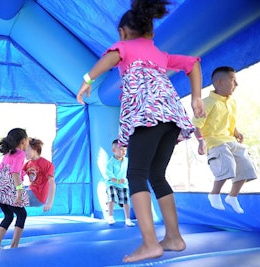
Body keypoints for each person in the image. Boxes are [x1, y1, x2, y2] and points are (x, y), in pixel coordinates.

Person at [76, 0, 205, 263]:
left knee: (135, 174)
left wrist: (87, 81)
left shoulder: (123, 47)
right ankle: (173, 238)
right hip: (171, 117)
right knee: (157, 175)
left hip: (147, 116)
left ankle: (149, 243)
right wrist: (196, 98)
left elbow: (109, 58)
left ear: (123, 33)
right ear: (151, 34)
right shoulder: (161, 55)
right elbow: (193, 63)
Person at [192, 66, 257, 214]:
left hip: (230, 140)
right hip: (215, 141)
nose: (236, 84)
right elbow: (196, 125)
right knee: (227, 165)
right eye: (233, 81)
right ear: (219, 82)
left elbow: (228, 121)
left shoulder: (232, 102)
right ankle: (214, 194)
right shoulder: (207, 102)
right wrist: (201, 141)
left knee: (246, 168)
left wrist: (236, 131)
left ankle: (232, 197)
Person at [0, 137, 56, 215]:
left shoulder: (47, 164)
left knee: (8, 196)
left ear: (35, 149)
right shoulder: (28, 164)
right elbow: (16, 175)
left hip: (38, 196)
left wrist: (50, 202)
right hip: (30, 192)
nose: (24, 152)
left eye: (26, 150)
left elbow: (52, 183)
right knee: (7, 195)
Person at [105, 139, 135, 227]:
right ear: (114, 150)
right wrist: (118, 180)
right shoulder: (110, 163)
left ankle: (127, 219)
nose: (123, 152)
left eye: (125, 150)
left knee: (126, 200)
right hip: (112, 184)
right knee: (112, 196)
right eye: (121, 149)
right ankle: (110, 216)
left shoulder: (127, 161)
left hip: (123, 184)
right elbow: (110, 176)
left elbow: (130, 171)